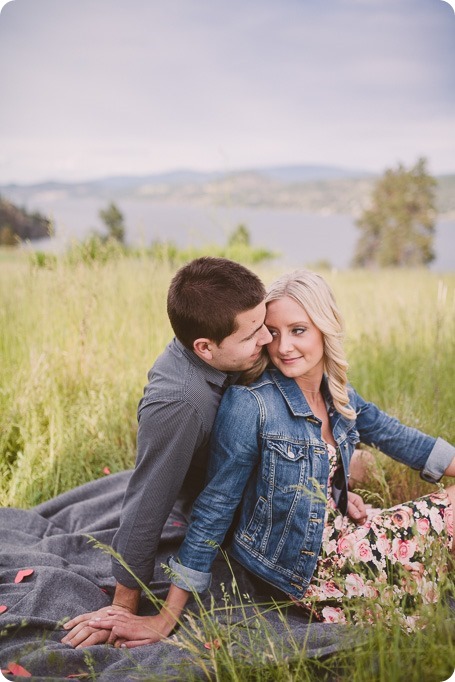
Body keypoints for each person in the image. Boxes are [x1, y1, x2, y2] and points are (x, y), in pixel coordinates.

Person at [88, 269, 455, 646]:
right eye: (271, 331)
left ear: (325, 329)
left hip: (337, 530)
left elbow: (404, 439)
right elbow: (214, 507)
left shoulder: (335, 392)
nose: (280, 346)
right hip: (305, 565)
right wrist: (165, 618)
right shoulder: (249, 403)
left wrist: (339, 494)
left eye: (298, 330)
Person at [61, 256, 272, 648]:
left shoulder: (217, 333)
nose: (268, 339)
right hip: (224, 510)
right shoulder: (181, 404)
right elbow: (147, 503)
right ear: (205, 348)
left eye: (263, 323)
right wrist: (124, 606)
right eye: (252, 335)